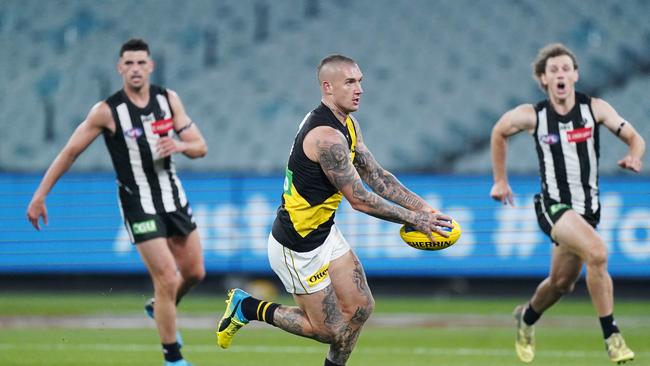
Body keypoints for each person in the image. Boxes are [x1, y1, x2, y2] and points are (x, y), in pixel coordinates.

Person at [215, 54, 453, 366]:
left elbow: (376, 175)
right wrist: (414, 219)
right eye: (350, 82)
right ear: (328, 87)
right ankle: (247, 308)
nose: (360, 89)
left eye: (360, 81)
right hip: (298, 245)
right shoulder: (326, 137)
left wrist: (424, 208)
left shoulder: (347, 125)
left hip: (324, 232)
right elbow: (360, 199)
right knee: (328, 330)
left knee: (360, 308)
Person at [26, 38, 208, 366]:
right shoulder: (107, 111)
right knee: (167, 275)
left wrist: (180, 146)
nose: (135, 69)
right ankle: (173, 358)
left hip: (174, 198)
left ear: (150, 66)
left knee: (194, 272)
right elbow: (70, 152)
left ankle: (158, 307)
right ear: (120, 68)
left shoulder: (168, 100)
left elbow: (200, 147)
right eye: (129, 63)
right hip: (137, 202)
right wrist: (40, 195)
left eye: (141, 62)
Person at [490, 43, 645, 364]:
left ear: (575, 75)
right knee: (598, 253)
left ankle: (527, 318)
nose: (560, 74)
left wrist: (634, 155)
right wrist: (500, 180)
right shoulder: (534, 115)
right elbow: (499, 131)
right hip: (554, 205)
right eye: (553, 70)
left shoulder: (595, 109)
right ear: (544, 79)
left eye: (565, 68)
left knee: (562, 284)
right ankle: (612, 335)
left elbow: (635, 137)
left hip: (587, 210)